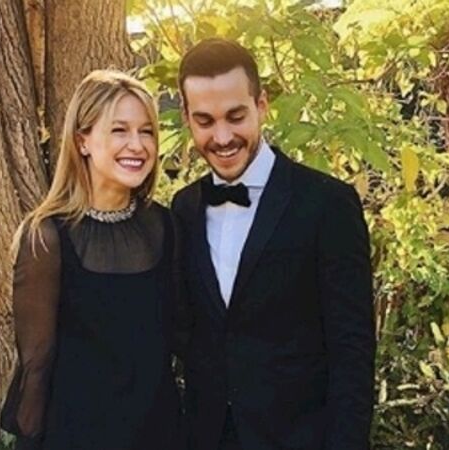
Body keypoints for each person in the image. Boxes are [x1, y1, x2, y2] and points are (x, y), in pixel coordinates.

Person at [171, 38, 376, 450]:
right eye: (205, 121)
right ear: (187, 119)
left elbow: (352, 350)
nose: (222, 136)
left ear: (261, 105)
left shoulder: (327, 203)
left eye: (236, 116)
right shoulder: (184, 208)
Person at [0, 69, 182, 450]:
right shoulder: (47, 236)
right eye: (119, 130)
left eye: (146, 131)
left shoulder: (167, 226)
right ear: (82, 140)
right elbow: (37, 362)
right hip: (75, 435)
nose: (137, 145)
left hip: (159, 434)